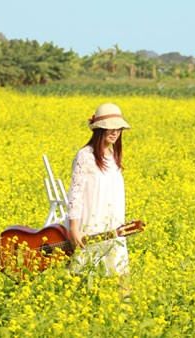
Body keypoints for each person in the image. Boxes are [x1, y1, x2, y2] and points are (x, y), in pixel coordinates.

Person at [67, 103, 131, 290]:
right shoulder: (85, 156)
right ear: (99, 129)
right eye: (110, 127)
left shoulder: (113, 156)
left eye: (118, 128)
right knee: (83, 273)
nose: (115, 132)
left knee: (121, 271)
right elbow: (75, 193)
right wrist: (74, 228)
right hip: (91, 223)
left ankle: (125, 315)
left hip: (113, 224)